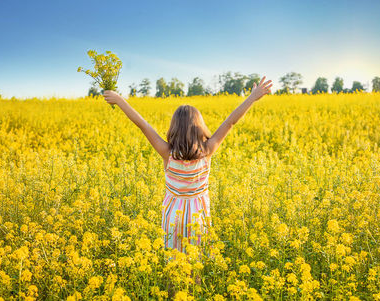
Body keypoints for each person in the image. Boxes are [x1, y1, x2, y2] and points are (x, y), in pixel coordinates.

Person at [103, 74, 272, 256]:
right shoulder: (207, 151)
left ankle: (171, 285)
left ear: (174, 128)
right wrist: (253, 97)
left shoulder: (167, 154)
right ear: (200, 127)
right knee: (195, 262)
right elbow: (230, 122)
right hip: (197, 217)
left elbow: (143, 125)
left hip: (173, 217)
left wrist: (119, 100)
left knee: (173, 263)